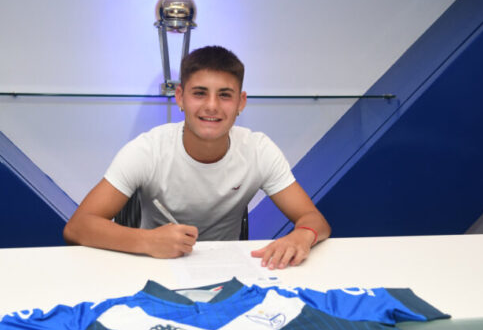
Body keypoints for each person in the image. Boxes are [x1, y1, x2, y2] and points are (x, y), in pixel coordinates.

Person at [63, 46, 330, 269]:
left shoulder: (259, 150)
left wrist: (302, 236)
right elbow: (77, 227)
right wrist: (147, 241)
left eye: (225, 95)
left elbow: (314, 219)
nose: (211, 106)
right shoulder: (147, 150)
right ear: (180, 97)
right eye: (200, 93)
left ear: (241, 102)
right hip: (152, 265)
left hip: (228, 272)